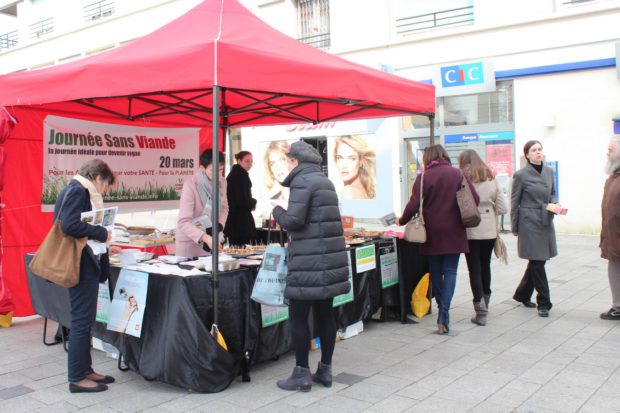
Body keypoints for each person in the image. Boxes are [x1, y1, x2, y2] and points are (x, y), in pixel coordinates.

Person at [271, 141, 350, 392]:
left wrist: (276, 211)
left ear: (295, 161)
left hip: (308, 262)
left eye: (288, 161)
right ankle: (325, 370)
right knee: (325, 314)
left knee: (298, 315)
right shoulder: (325, 182)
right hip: (327, 260)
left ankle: (301, 373)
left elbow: (294, 221)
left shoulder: (302, 182)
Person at [396, 144, 479, 334]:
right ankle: (444, 313)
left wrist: (402, 220)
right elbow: (474, 197)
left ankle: (443, 311)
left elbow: (414, 204)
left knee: (435, 272)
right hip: (455, 230)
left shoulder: (424, 177)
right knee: (450, 271)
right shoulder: (458, 174)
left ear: (428, 158)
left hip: (431, 232)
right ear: (444, 155)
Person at [55, 159, 121, 393]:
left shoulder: (79, 189)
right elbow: (69, 225)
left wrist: (102, 241)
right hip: (80, 265)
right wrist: (101, 232)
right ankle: (76, 377)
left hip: (86, 261)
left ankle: (86, 370)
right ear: (97, 178)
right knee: (82, 322)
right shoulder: (78, 191)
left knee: (86, 320)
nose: (104, 191)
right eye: (105, 186)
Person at [457, 149, 507, 326]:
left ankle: (480, 311)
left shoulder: (461, 178)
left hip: (470, 228)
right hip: (488, 230)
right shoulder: (491, 177)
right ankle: (486, 302)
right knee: (485, 265)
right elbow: (503, 208)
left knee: (474, 269)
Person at [511, 140, 558, 318]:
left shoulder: (549, 171)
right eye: (534, 150)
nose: (538, 152)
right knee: (538, 262)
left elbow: (553, 193)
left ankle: (522, 293)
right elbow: (514, 201)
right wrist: (514, 226)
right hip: (529, 222)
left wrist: (555, 204)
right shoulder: (521, 175)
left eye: (540, 149)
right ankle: (544, 302)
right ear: (527, 155)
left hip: (546, 219)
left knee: (539, 260)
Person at [175, 150, 228, 258]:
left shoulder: (222, 182)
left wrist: (219, 225)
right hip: (190, 245)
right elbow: (183, 222)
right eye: (213, 170)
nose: (218, 174)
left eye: (221, 170)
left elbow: (224, 207)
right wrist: (205, 237)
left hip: (212, 241)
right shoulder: (190, 186)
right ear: (203, 168)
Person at [599, 135, 620, 320]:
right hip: (612, 236)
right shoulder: (612, 178)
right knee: (614, 270)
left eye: (610, 149)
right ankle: (617, 306)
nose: (607, 153)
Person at [224, 150, 258, 246]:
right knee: (243, 252)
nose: (250, 164)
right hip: (239, 221)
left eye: (251, 161)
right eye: (247, 161)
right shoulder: (239, 176)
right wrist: (253, 202)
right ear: (239, 161)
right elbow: (241, 200)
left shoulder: (237, 174)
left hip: (236, 220)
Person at [333, 135, 376, 199]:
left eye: (352, 158)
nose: (344, 165)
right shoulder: (363, 189)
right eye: (340, 158)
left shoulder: (348, 191)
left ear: (361, 161)